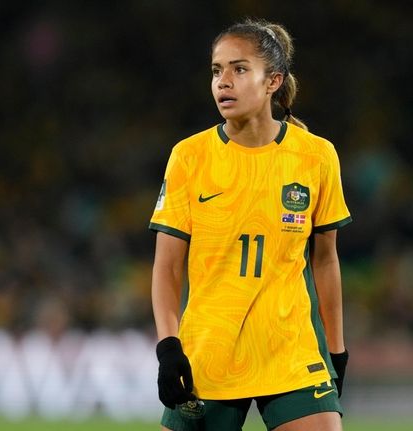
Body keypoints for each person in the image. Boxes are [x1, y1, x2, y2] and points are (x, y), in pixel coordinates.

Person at [149, 18, 351, 431]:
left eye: (239, 69)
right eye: (216, 70)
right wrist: (168, 348)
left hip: (290, 349)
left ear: (273, 81)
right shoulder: (190, 157)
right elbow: (168, 267)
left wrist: (337, 348)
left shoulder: (316, 156)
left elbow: (325, 261)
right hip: (210, 351)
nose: (224, 81)